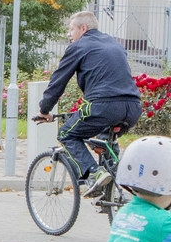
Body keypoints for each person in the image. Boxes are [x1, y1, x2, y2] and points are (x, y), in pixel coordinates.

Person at [34, 11, 142, 199]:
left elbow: (58, 81)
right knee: (105, 140)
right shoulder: (114, 43)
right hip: (132, 106)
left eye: (71, 29)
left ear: (83, 28)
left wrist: (44, 110)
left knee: (66, 134)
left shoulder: (79, 46)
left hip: (103, 105)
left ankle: (94, 172)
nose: (69, 34)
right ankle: (110, 193)